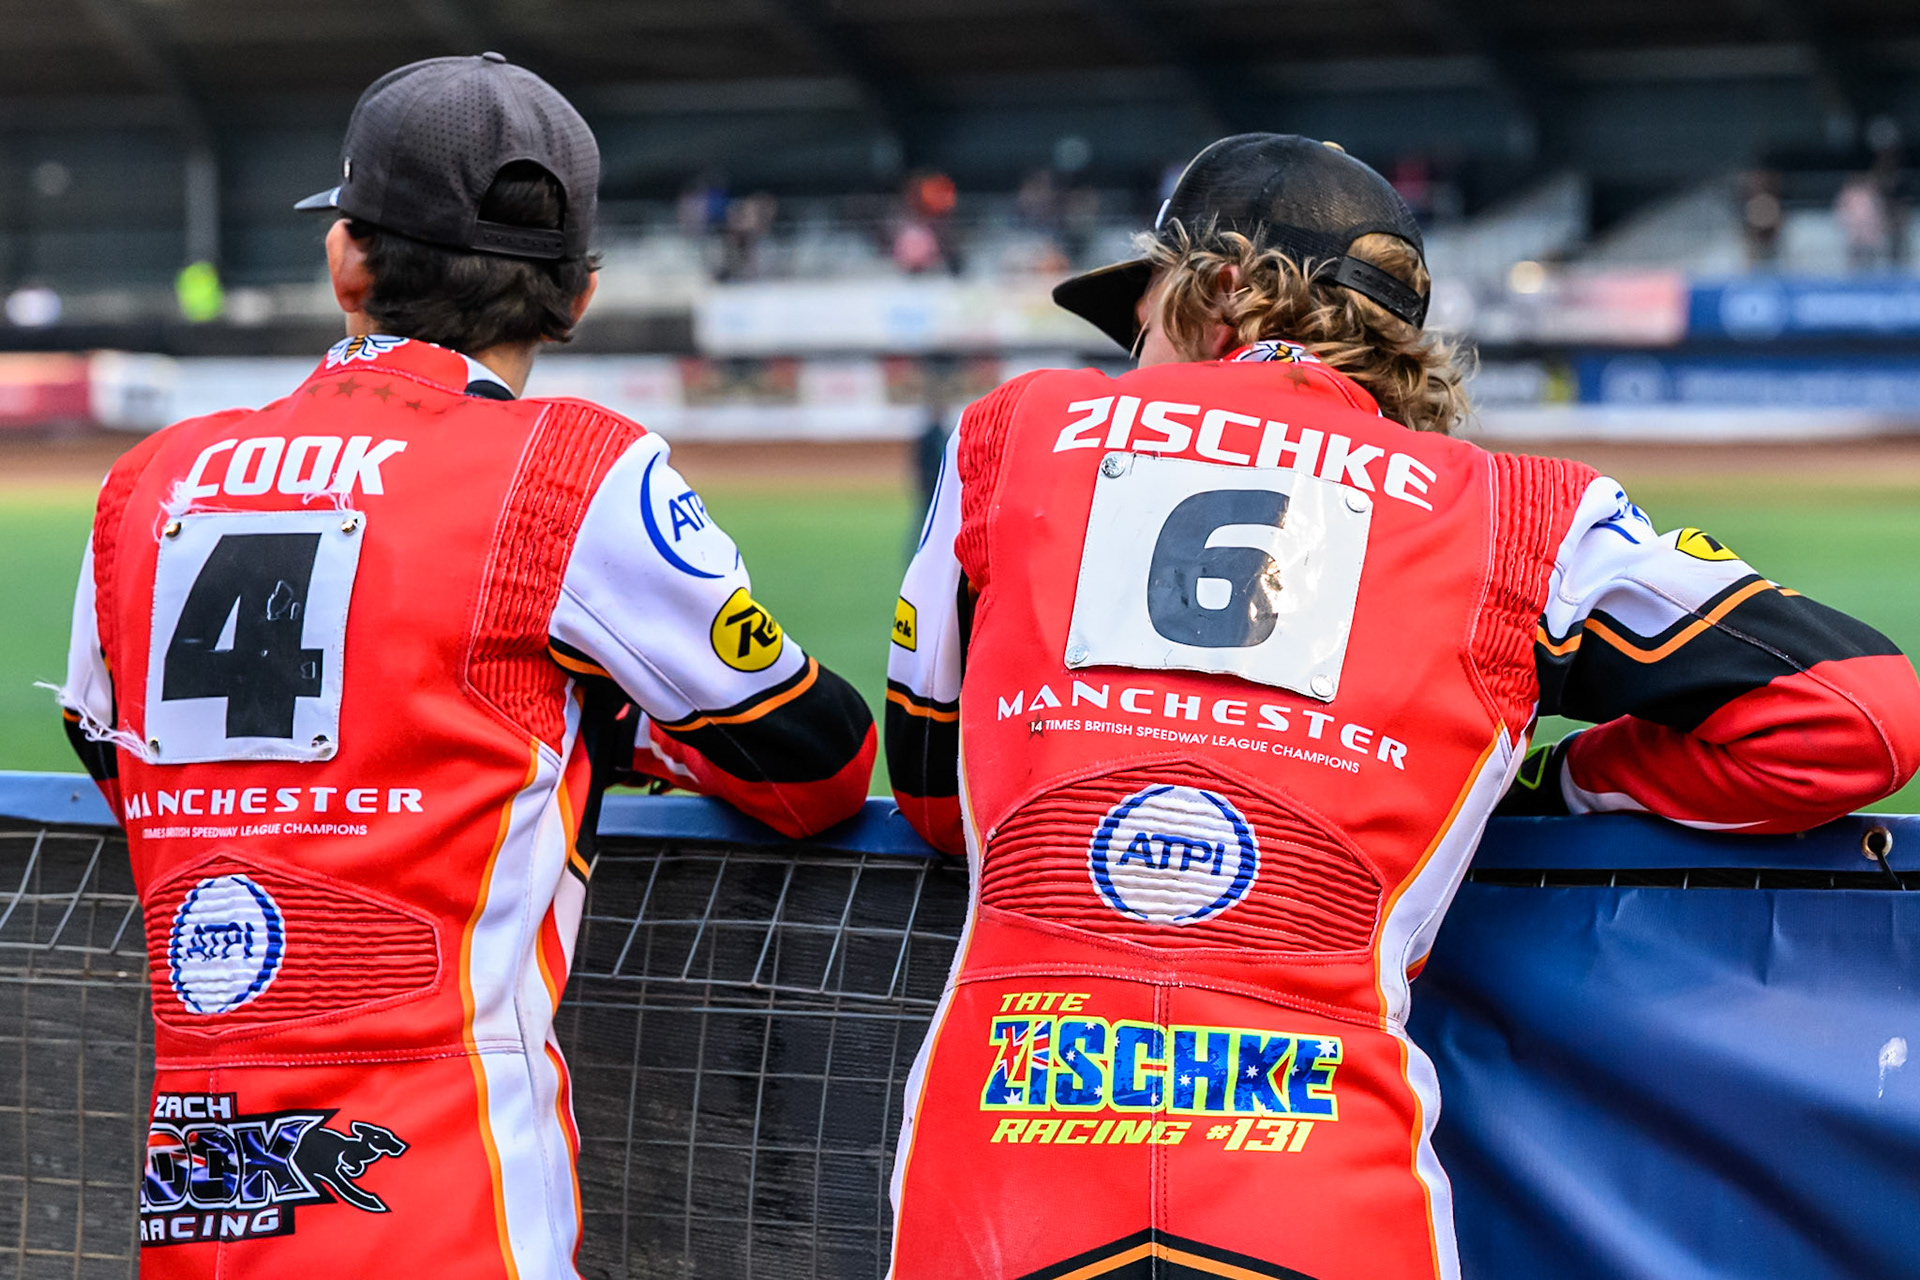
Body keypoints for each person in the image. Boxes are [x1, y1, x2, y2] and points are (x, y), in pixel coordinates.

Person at [882, 134, 1920, 1279]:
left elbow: (933, 796)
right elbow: (1862, 711)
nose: (1132, 350)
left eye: (1147, 308)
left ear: (1222, 289)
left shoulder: (1009, 432)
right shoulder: (1523, 512)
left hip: (1001, 1173)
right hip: (1322, 1177)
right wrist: (1563, 780)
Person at [56, 54, 874, 1278]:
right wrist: (601, 727)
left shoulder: (150, 477)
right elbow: (823, 764)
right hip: (451, 1196)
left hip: (198, 1193)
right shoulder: (574, 466)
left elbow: (107, 745)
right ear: (579, 293)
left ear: (346, 261)